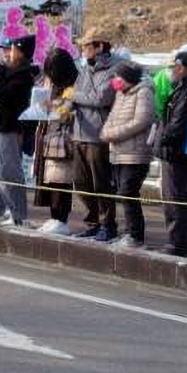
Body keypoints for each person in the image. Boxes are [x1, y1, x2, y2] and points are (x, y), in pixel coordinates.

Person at [69, 29, 120, 241]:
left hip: (99, 135)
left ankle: (108, 225)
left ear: (99, 46)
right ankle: (92, 221)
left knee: (101, 182)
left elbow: (101, 98)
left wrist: (75, 95)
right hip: (80, 131)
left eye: (87, 46)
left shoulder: (115, 69)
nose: (83, 50)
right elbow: (79, 94)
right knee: (80, 181)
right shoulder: (84, 70)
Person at [0, 37, 35, 227]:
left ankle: (18, 215)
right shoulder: (8, 72)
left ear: (20, 53)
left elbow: (4, 96)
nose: (7, 53)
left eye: (11, 50)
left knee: (8, 171)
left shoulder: (24, 75)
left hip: (10, 127)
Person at [100, 60, 155, 248]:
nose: (115, 80)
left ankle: (136, 235)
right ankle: (128, 232)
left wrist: (113, 134)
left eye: (118, 77)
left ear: (128, 78)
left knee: (129, 192)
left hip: (135, 153)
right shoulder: (121, 94)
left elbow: (142, 120)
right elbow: (112, 117)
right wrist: (106, 131)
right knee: (122, 193)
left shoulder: (143, 92)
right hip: (118, 152)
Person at [155, 49, 187, 256]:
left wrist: (162, 139)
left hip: (177, 151)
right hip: (178, 150)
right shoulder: (184, 88)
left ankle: (177, 243)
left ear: (183, 68)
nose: (171, 71)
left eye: (174, 67)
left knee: (174, 197)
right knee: (181, 197)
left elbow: (178, 122)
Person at [33, 47, 79, 237]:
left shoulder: (73, 87)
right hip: (49, 135)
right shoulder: (52, 85)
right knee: (49, 178)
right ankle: (54, 217)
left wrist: (52, 107)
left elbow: (66, 111)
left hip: (64, 138)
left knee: (61, 179)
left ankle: (61, 218)